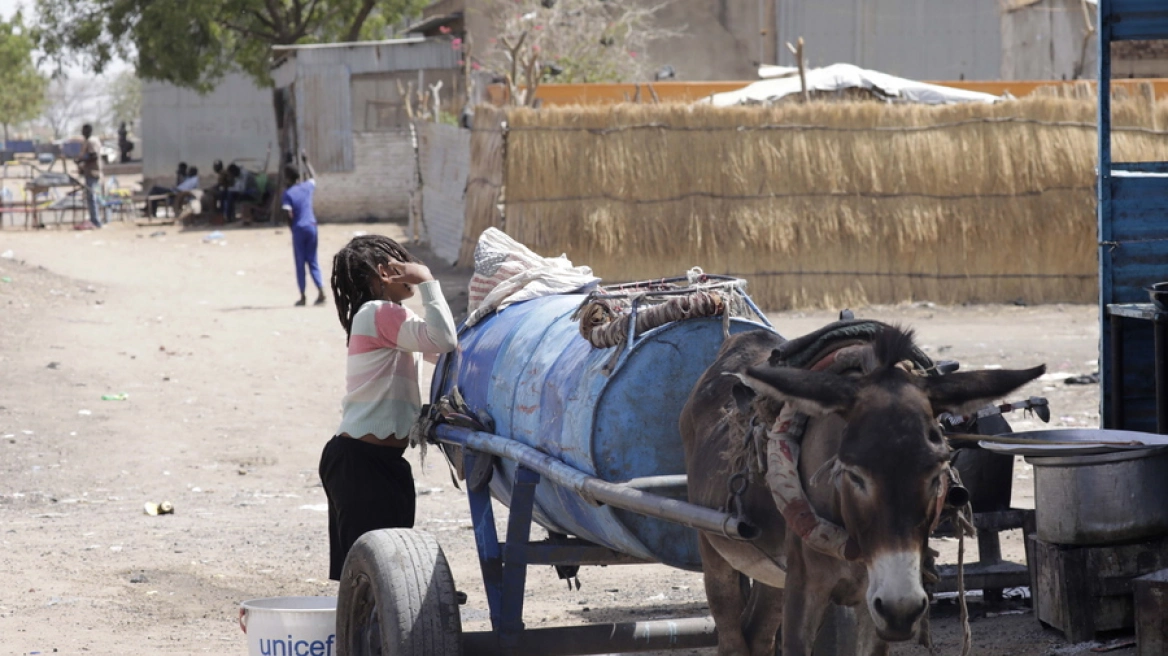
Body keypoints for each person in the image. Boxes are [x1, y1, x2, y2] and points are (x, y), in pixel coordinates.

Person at [319, 234, 458, 581]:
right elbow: (445, 340)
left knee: (391, 575)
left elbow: (442, 351)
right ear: (385, 273)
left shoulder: (391, 318)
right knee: (371, 577)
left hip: (381, 463)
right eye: (401, 262)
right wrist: (427, 280)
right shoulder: (377, 313)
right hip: (360, 464)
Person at [282, 152, 326, 306]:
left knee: (300, 263)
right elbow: (313, 176)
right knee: (313, 260)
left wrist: (291, 229)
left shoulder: (287, 194)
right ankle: (321, 290)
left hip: (299, 229)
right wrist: (307, 162)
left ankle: (303, 296)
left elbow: (288, 213)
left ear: (287, 178)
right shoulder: (306, 187)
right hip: (312, 226)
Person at [77, 124, 107, 229]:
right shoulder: (91, 140)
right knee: (96, 196)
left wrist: (82, 160)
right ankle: (102, 218)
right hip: (91, 172)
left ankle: (96, 221)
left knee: (92, 197)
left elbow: (93, 155)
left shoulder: (91, 141)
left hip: (92, 172)